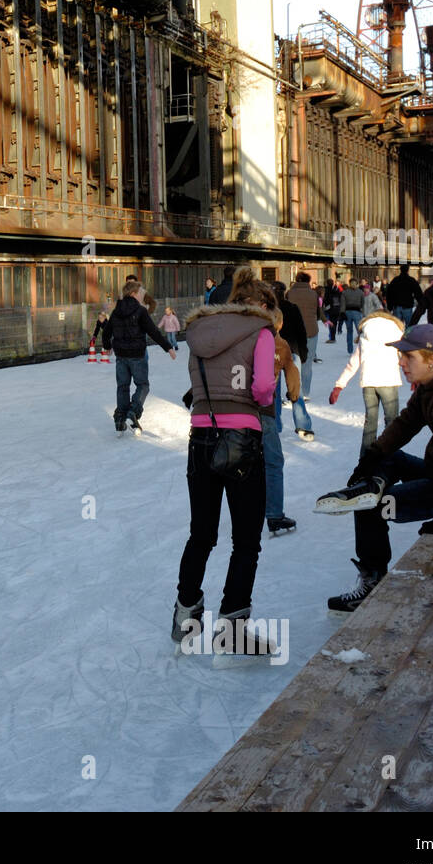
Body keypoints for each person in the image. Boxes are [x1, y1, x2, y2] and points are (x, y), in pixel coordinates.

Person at [313, 325, 433, 613]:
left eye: (408, 357)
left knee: (371, 509)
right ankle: (371, 484)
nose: (401, 363)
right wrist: (370, 459)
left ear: (432, 359)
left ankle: (371, 582)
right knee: (391, 458)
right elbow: (405, 424)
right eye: (401, 356)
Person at [172, 267, 277, 655]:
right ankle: (232, 629)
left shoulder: (199, 333)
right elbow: (263, 388)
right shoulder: (261, 333)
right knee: (246, 540)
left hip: (200, 435)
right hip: (242, 439)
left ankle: (186, 614)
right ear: (260, 305)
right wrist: (261, 400)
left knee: (201, 533)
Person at [101, 279, 176, 433]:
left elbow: (107, 331)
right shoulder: (140, 311)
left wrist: (107, 346)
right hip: (137, 355)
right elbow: (153, 331)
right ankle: (132, 412)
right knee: (143, 385)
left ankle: (121, 417)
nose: (143, 296)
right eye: (141, 293)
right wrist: (168, 347)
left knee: (123, 386)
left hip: (121, 355)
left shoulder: (116, 311)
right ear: (134, 293)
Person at [329, 310, 405, 452]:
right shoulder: (397, 333)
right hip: (389, 381)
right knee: (392, 421)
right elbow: (405, 358)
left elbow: (353, 363)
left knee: (370, 422)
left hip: (369, 383)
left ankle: (365, 459)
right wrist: (416, 378)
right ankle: (390, 457)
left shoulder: (365, 334)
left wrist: (339, 386)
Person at [262, 291, 301, 535]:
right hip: (264, 409)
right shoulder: (282, 345)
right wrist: (294, 394)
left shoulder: (248, 341)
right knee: (273, 462)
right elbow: (292, 371)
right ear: (281, 324)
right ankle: (274, 514)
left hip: (240, 410)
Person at [273, 280, 314, 440]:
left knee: (274, 392)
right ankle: (303, 426)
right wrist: (303, 352)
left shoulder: (267, 311)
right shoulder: (292, 308)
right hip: (293, 352)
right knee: (296, 389)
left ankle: (275, 425)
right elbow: (301, 331)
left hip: (274, 354)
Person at [286, 271, 324, 397]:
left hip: (293, 332)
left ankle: (295, 391)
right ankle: (306, 392)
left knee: (295, 361)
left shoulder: (289, 293)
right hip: (311, 330)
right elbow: (318, 313)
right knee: (307, 362)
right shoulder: (313, 294)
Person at [384, 263, 426, 329]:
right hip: (407, 306)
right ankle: (408, 338)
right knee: (409, 327)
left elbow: (389, 293)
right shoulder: (411, 280)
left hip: (396, 306)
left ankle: (398, 338)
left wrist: (390, 305)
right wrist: (422, 303)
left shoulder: (395, 280)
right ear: (408, 270)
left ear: (400, 270)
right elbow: (418, 293)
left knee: (397, 327)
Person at [341, 278, 364, 353]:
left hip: (347, 312)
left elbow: (343, 304)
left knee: (349, 331)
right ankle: (361, 347)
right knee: (359, 331)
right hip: (356, 312)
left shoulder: (345, 292)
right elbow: (362, 303)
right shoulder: (360, 292)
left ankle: (350, 349)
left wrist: (342, 312)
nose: (353, 284)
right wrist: (362, 311)